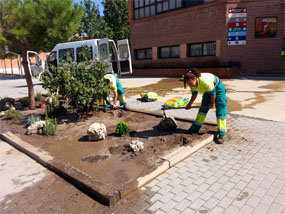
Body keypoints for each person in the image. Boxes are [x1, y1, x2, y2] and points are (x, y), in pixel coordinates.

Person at [184, 69, 227, 144]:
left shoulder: (204, 81)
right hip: (208, 91)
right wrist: (189, 104)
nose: (189, 85)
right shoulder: (192, 83)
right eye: (188, 84)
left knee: (220, 110)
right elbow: (194, 94)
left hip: (218, 88)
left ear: (194, 79)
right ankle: (195, 128)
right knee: (202, 109)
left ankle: (221, 134)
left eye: (190, 83)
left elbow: (213, 93)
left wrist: (211, 103)